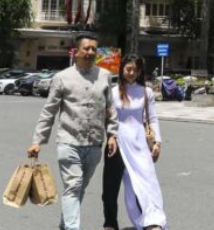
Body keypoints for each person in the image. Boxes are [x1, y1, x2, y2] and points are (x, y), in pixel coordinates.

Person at [28, 34, 117, 230]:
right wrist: (37, 141)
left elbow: (110, 108)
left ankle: (65, 223)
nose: (91, 52)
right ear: (76, 52)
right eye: (86, 48)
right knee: (73, 186)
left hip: (94, 144)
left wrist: (112, 134)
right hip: (69, 143)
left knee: (79, 188)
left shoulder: (104, 76)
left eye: (94, 49)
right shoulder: (62, 77)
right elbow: (49, 110)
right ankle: (72, 227)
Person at [103, 54, 166, 230]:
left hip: (139, 145)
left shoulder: (146, 92)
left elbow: (153, 118)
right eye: (128, 69)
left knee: (145, 183)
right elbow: (106, 119)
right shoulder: (112, 93)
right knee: (111, 188)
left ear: (140, 72)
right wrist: (110, 137)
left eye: (135, 70)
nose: (132, 73)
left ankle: (151, 221)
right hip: (116, 143)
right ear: (122, 69)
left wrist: (157, 142)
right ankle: (110, 223)